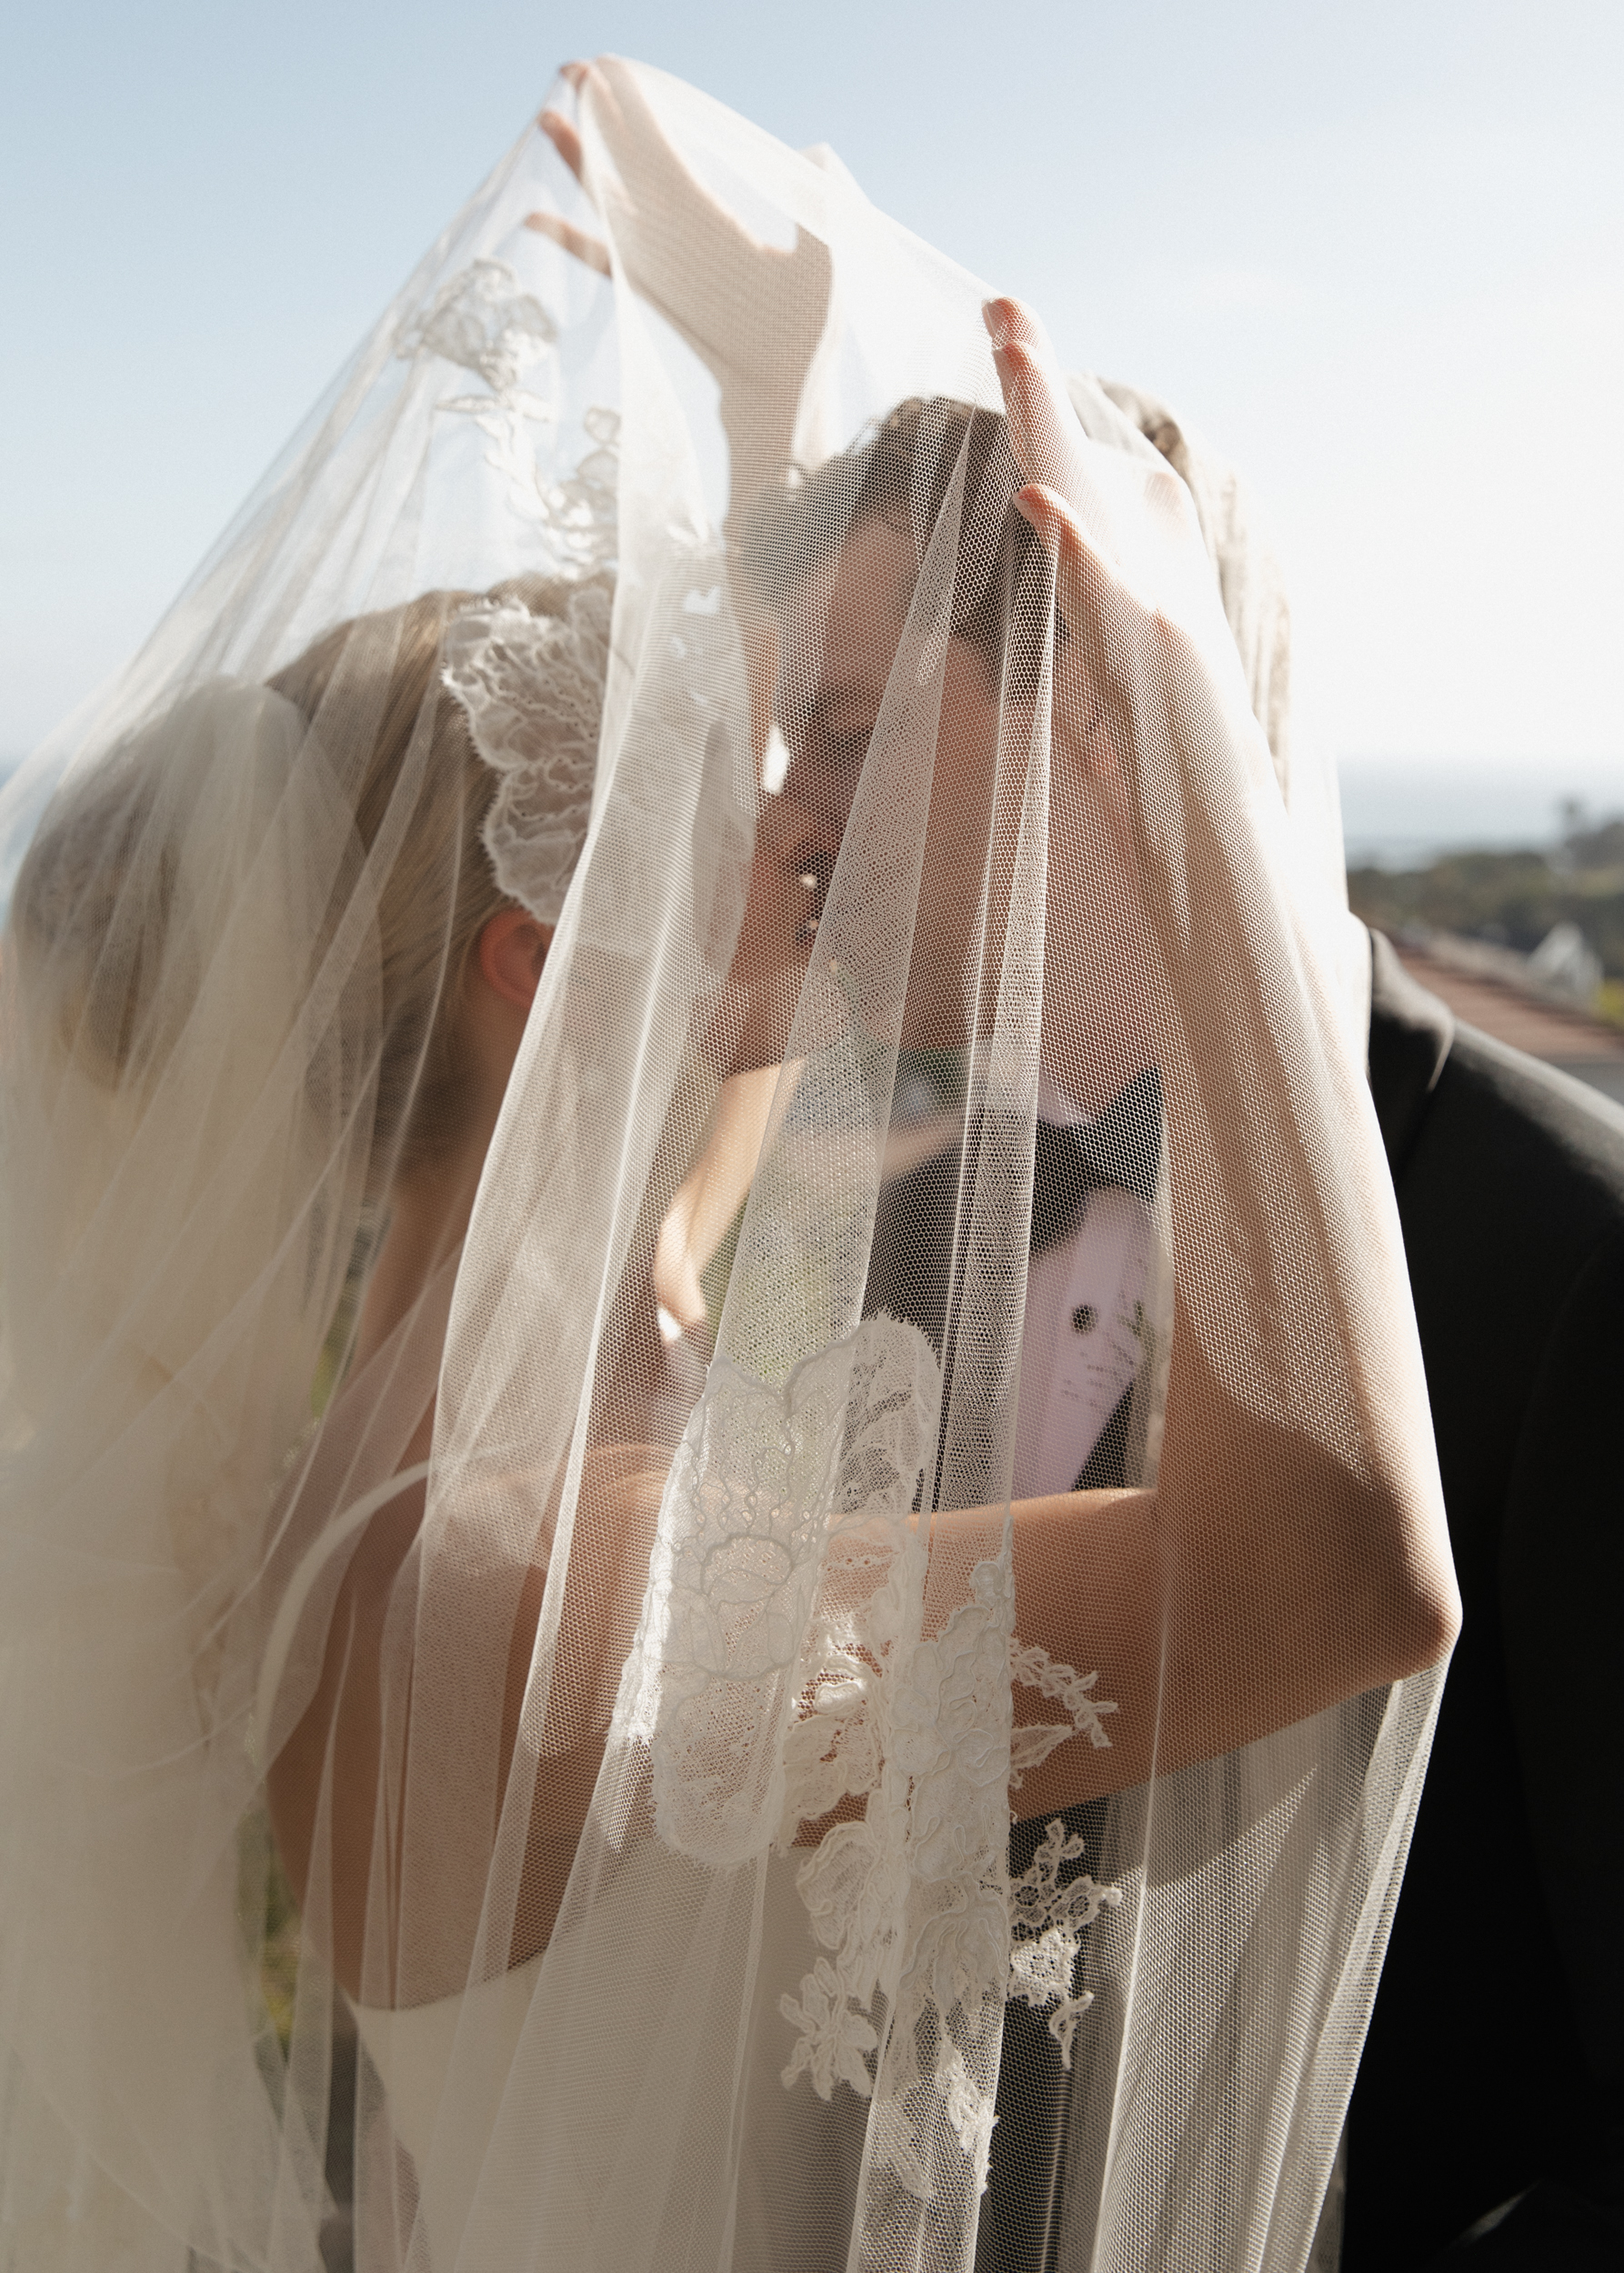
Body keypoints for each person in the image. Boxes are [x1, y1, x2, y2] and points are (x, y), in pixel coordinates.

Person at [0, 55, 1456, 2273]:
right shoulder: (527, 1572)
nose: (796, 836)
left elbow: (761, 1035)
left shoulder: (558, 1359)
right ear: (536, 972)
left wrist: (782, 366)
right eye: (725, 802)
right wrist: (1183, 747)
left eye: (805, 768)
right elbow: (1335, 1569)